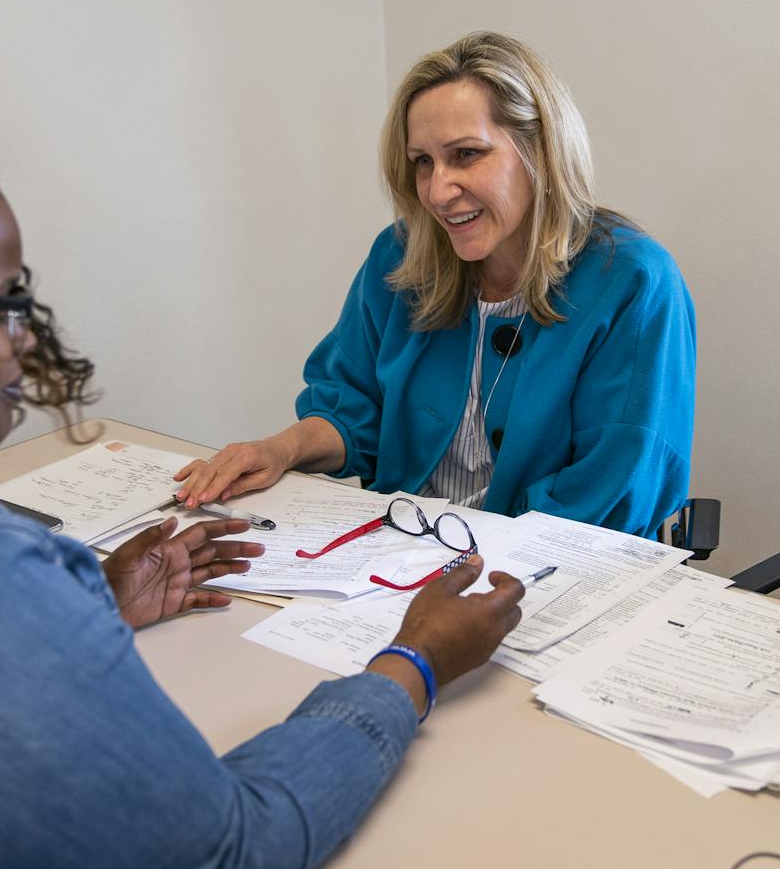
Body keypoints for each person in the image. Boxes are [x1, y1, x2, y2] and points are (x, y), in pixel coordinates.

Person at [0, 79, 524, 869]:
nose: (27, 335)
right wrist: (415, 662)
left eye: (466, 155)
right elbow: (228, 852)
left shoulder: (629, 277)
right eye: (2, 303)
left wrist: (80, 611)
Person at [174, 32, 696, 538]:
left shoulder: (633, 282)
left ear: (540, 152)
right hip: (398, 555)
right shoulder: (400, 255)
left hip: (541, 576)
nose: (439, 190)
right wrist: (279, 450)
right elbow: (351, 408)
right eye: (423, 161)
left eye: (466, 154)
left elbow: (608, 494)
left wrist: (456, 566)